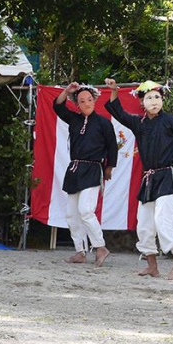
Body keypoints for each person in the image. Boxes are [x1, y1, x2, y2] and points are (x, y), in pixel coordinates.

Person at [104, 78, 173, 280]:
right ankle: (152, 265)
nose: (154, 101)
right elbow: (119, 113)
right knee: (144, 222)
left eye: (157, 97)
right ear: (142, 102)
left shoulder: (172, 122)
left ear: (163, 100)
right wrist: (115, 90)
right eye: (149, 98)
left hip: (168, 174)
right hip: (149, 178)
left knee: (163, 219)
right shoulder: (139, 123)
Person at [54, 82, 117, 267]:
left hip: (92, 169)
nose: (87, 103)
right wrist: (67, 91)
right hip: (74, 170)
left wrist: (109, 168)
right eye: (82, 101)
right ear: (77, 104)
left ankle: (100, 247)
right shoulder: (74, 119)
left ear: (94, 100)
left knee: (86, 211)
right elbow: (57, 106)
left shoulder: (104, 123)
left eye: (89, 99)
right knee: (71, 214)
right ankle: (80, 251)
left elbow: (112, 147)